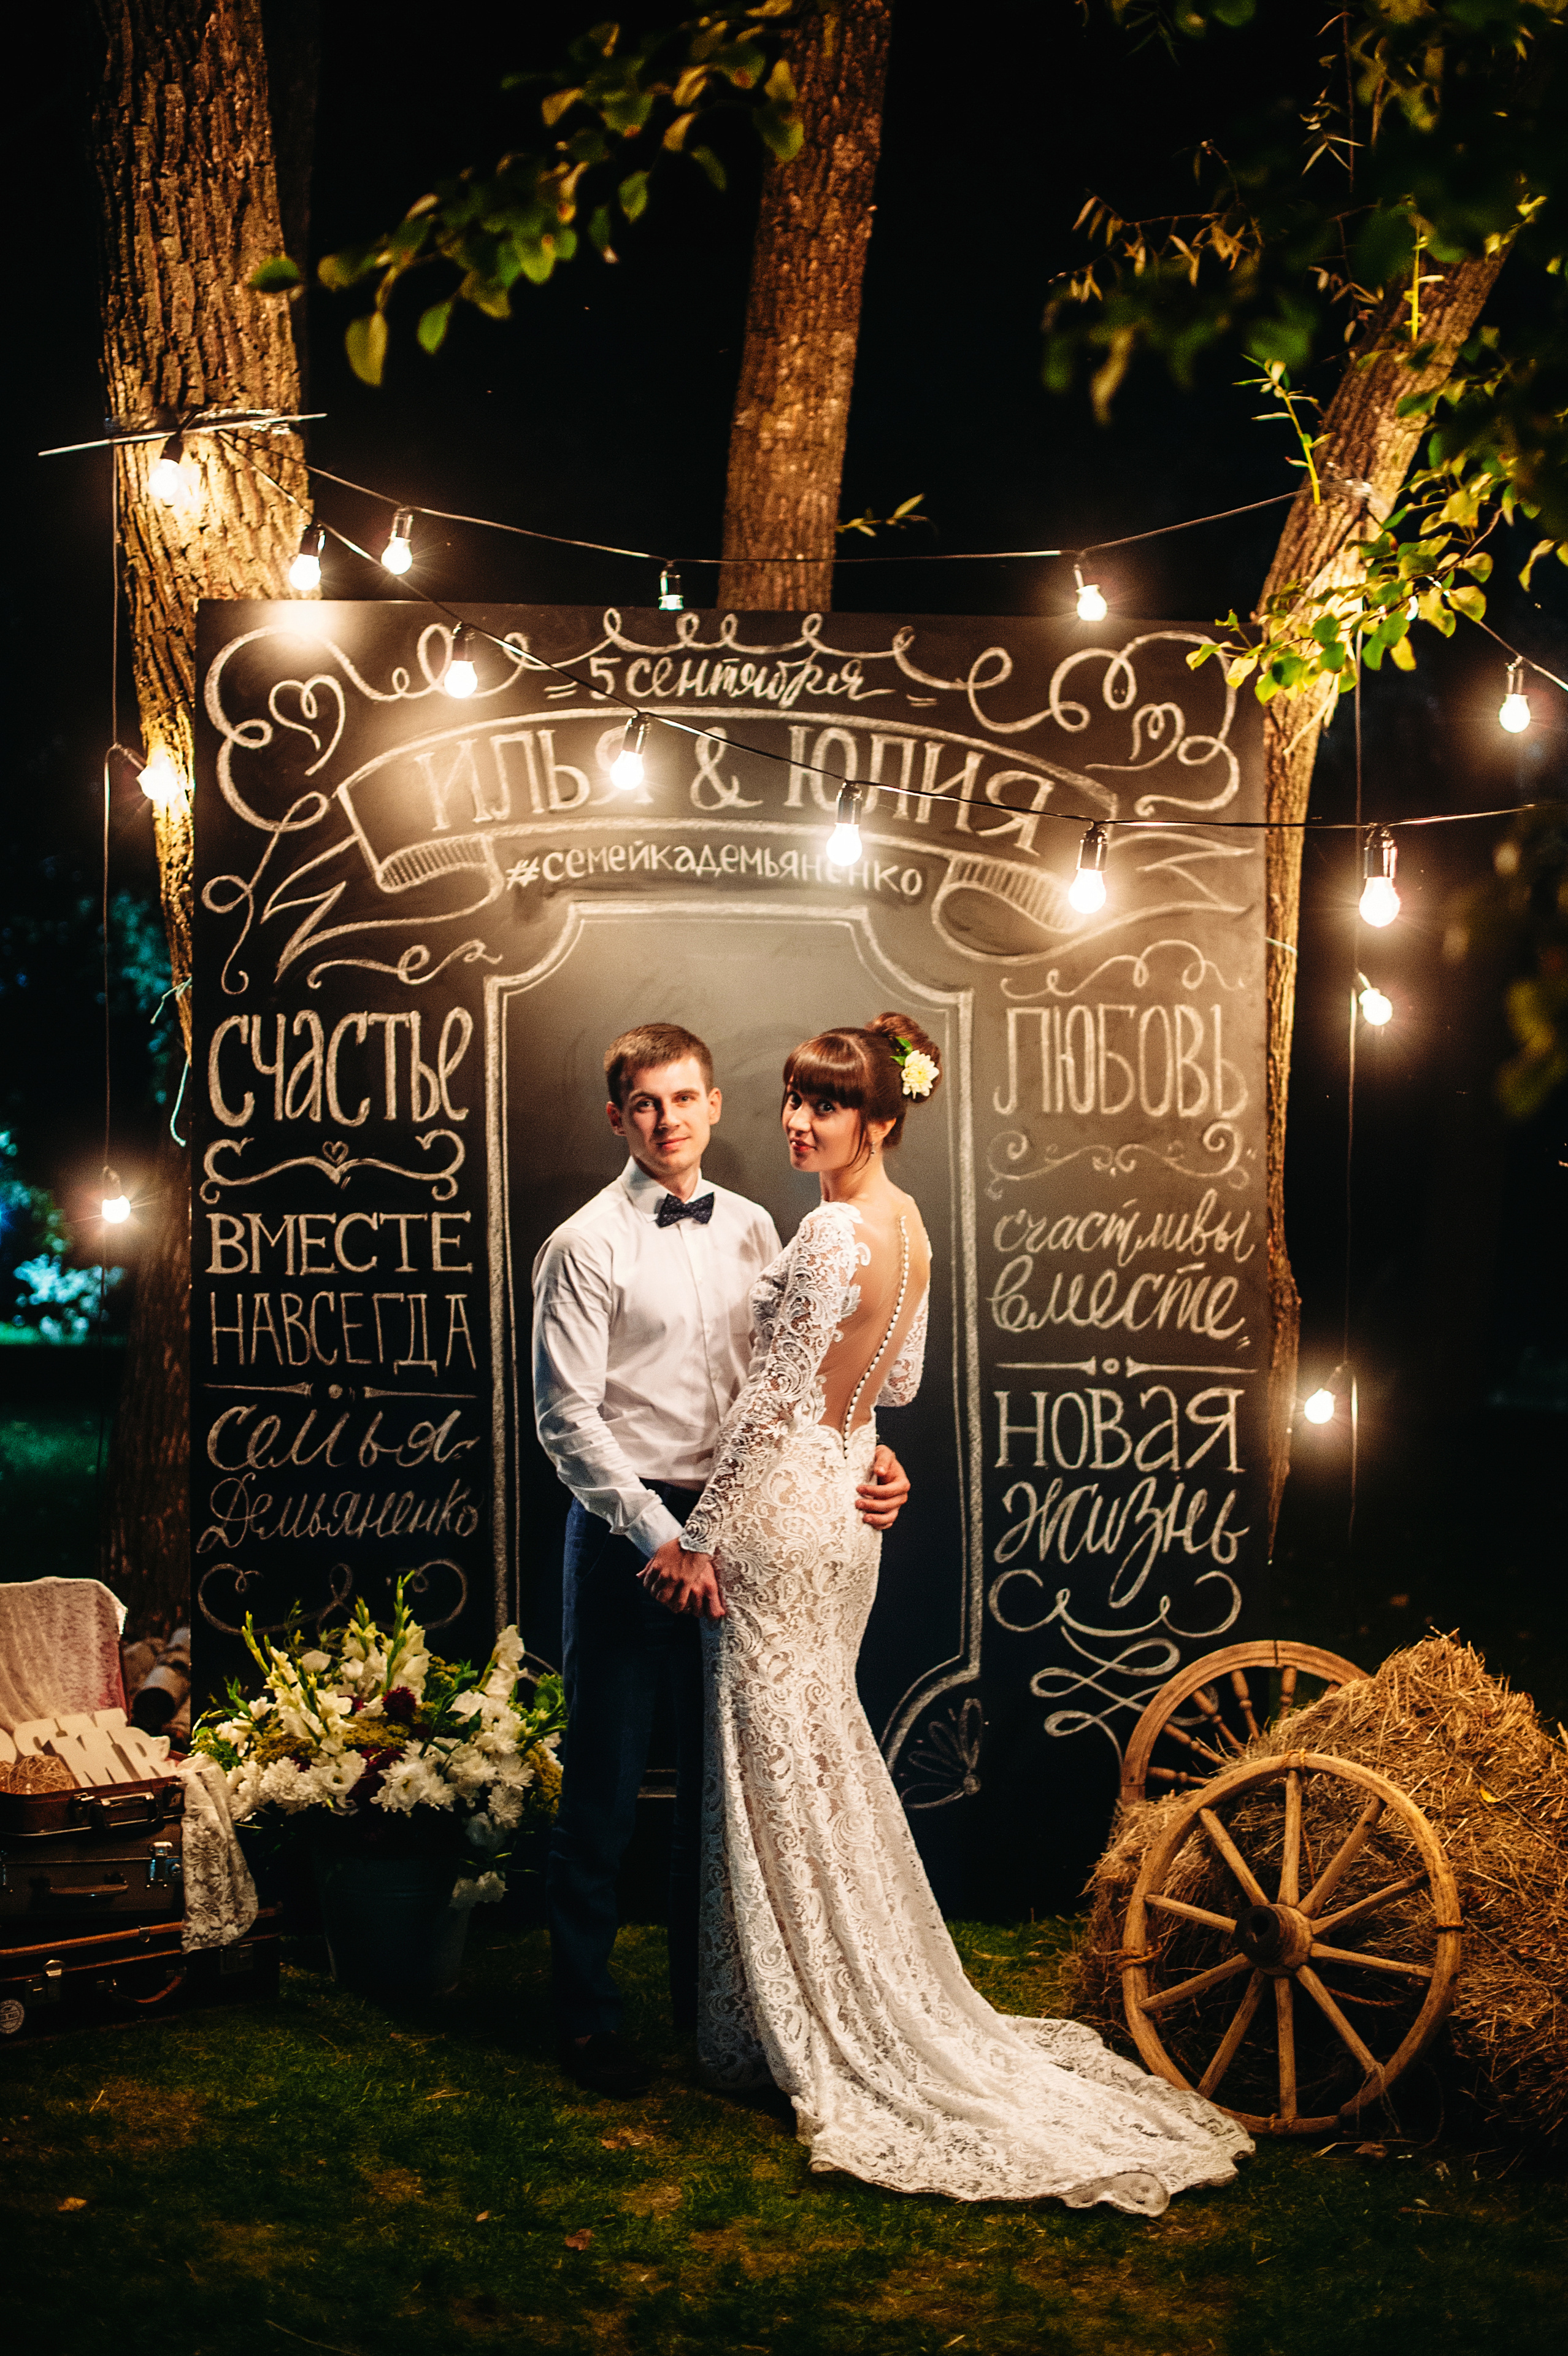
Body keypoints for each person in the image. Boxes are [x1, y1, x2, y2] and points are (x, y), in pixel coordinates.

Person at [642, 1014, 1253, 2212]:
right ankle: (807, 2002)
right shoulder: (908, 1224)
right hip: (848, 1513)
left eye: (828, 1106)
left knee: (780, 1768)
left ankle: (825, 2018)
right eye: (793, 1100)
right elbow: (900, 1383)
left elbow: (771, 1412)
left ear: (880, 1120)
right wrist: (868, 1451)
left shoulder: (826, 1231)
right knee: (813, 1758)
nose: (800, 1122)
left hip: (781, 1519)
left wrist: (694, 1539)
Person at [532, 1022, 912, 2098]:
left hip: (752, 1530)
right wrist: (664, 1540)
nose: (669, 1121)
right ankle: (589, 2022)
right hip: (629, 1535)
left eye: (686, 1099)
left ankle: (722, 2016)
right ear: (618, 1116)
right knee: (603, 1785)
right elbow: (567, 1422)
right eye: (646, 1104)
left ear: (713, 1107)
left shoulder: (763, 1227)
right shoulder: (584, 1244)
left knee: (727, 1790)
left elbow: (819, 1381)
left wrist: (875, 1461)